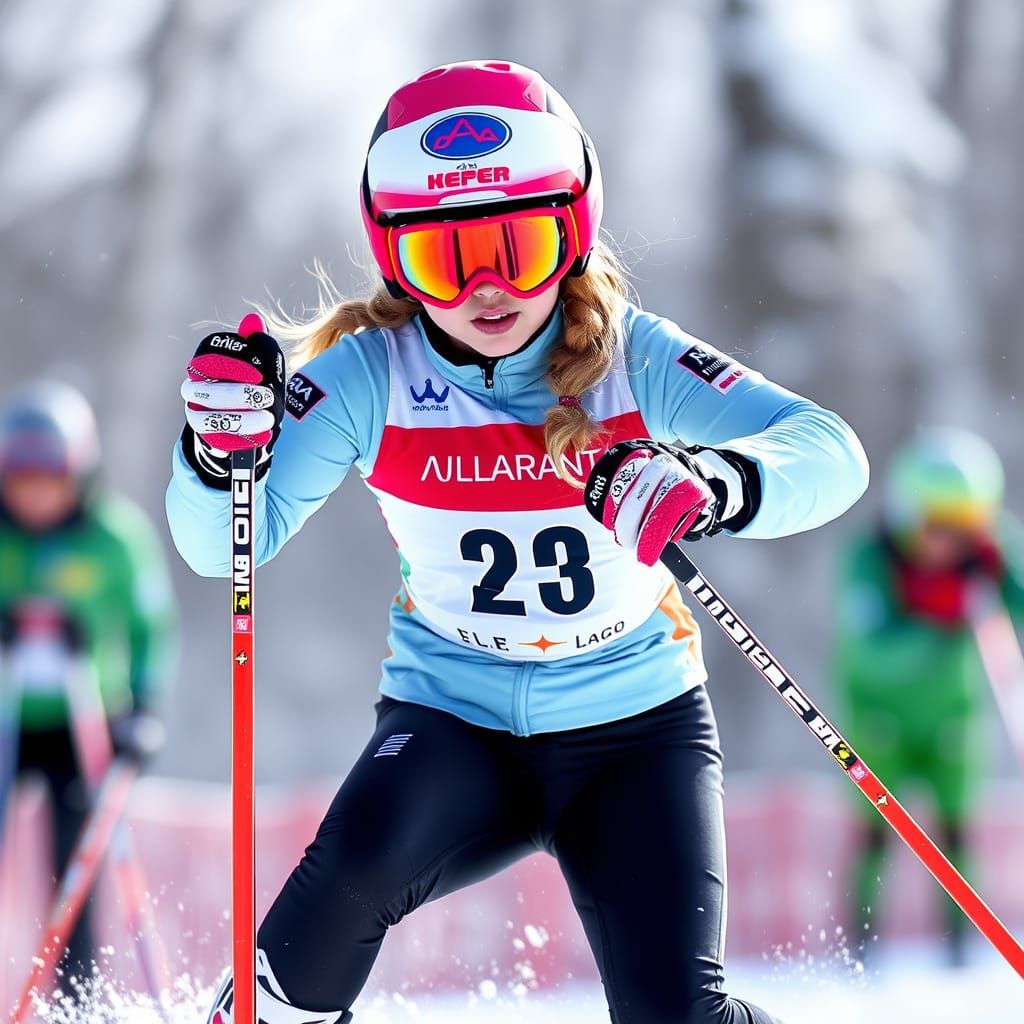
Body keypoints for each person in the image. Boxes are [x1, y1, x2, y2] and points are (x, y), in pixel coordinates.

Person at [166, 60, 868, 1024]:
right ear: (393, 259)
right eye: (446, 261)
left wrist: (714, 484)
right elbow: (225, 549)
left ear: (572, 232)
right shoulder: (369, 376)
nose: (488, 288)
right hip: (454, 721)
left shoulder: (634, 355)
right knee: (323, 922)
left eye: (520, 246)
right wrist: (217, 457)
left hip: (637, 729)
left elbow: (831, 451)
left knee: (677, 1014)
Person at [0, 380, 177, 985]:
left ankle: (76, 994)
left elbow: (152, 625)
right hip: (7, 715)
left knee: (73, 869)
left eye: (50, 480)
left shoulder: (114, 539)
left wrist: (143, 706)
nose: (37, 497)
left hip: (83, 726)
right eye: (21, 482)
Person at [835, 428, 1024, 966]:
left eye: (966, 529)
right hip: (878, 721)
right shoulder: (871, 561)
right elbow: (873, 652)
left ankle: (959, 951)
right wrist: (936, 617)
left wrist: (1000, 578)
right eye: (940, 527)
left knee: (957, 831)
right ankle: (859, 947)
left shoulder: (983, 557)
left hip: (952, 719)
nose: (952, 543)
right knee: (876, 832)